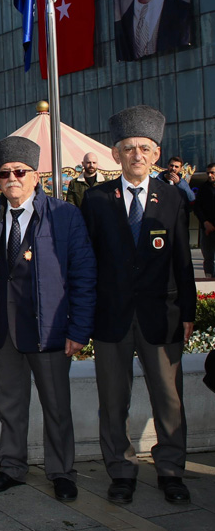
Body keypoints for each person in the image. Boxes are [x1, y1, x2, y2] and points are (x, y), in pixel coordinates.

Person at [81, 105, 196, 505]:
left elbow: (183, 261)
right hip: (110, 317)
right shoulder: (96, 199)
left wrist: (188, 312)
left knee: (169, 399)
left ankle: (171, 471)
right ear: (116, 154)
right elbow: (86, 262)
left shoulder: (173, 198)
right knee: (113, 401)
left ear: (156, 154)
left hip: (160, 317)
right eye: (129, 148)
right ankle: (121, 470)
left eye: (145, 148)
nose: (137, 155)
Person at [0, 136, 96, 503]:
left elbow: (84, 275)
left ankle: (61, 472)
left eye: (19, 172)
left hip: (50, 329)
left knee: (56, 407)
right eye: (4, 173)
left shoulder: (64, 216)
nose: (12, 178)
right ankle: (12, 467)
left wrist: (79, 329)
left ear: (36, 176)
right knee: (10, 406)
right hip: (5, 331)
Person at [195, 163, 215, 278]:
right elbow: (198, 208)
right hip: (207, 228)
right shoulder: (203, 188)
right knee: (208, 257)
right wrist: (205, 222)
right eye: (208, 173)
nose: (210, 175)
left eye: (212, 173)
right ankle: (209, 278)